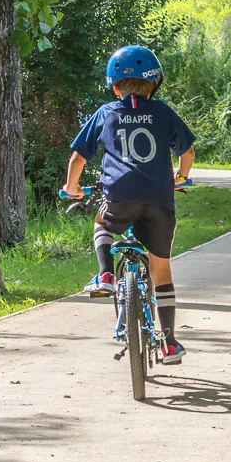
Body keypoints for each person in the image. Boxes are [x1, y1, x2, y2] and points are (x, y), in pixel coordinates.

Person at [61, 45, 196, 364]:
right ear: (154, 83)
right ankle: (170, 343)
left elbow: (79, 156)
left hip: (119, 196)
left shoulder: (107, 113)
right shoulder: (163, 112)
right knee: (160, 268)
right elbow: (187, 152)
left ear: (114, 85)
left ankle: (106, 274)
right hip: (160, 201)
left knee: (101, 222)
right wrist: (181, 176)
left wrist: (72, 187)